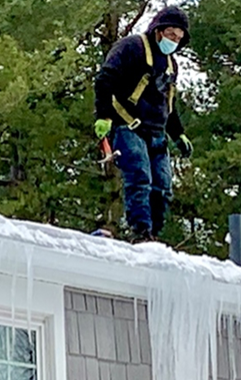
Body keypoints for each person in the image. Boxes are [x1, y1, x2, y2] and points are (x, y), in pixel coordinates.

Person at [94, 6, 193, 243]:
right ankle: (139, 232)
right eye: (171, 34)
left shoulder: (171, 64)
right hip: (128, 126)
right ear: (158, 30)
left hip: (157, 133)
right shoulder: (131, 48)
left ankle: (153, 237)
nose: (174, 41)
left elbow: (168, 102)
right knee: (139, 178)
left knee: (162, 188)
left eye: (179, 38)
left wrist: (178, 134)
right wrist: (104, 116)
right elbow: (105, 80)